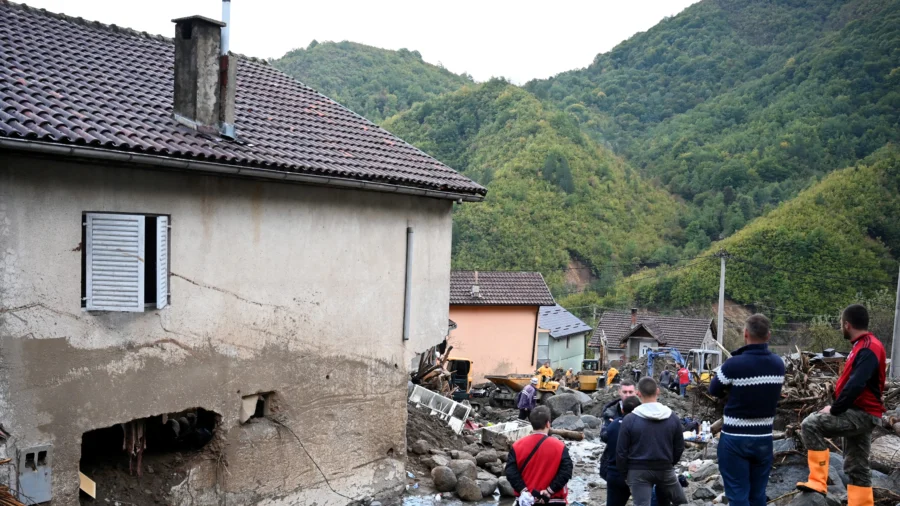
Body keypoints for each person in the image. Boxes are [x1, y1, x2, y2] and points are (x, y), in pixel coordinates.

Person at [797, 305, 886, 506]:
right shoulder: (864, 345)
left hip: (861, 413)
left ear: (847, 324)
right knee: (857, 467)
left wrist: (836, 408)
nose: (841, 328)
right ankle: (861, 504)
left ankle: (818, 481)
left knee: (810, 424)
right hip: (863, 412)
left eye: (841, 325)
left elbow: (856, 384)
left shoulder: (868, 348)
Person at [709, 314, 785, 506]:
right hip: (764, 438)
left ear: (745, 334)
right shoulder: (778, 364)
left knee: (737, 495)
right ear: (768, 335)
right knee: (758, 495)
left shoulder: (734, 364)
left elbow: (714, 389)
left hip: (735, 438)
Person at [616, 377, 687, 506]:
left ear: (638, 394)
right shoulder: (672, 417)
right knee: (681, 501)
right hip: (665, 468)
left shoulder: (630, 419)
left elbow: (621, 451)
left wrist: (626, 474)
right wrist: (669, 463)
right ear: (658, 391)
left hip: (638, 470)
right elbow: (679, 447)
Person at [505, 406, 573, 506]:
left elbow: (510, 471)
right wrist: (549, 491)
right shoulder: (560, 447)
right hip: (553, 501)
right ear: (548, 424)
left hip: (526, 501)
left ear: (531, 423)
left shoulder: (517, 446)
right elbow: (566, 472)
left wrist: (523, 490)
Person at [604, 396, 642, 506]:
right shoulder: (642, 426)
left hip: (614, 474)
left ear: (622, 410)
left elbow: (606, 439)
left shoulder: (613, 425)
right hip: (636, 474)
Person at [599, 380, 637, 478]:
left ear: (636, 392)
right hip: (614, 461)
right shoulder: (610, 411)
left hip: (637, 463)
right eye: (625, 392)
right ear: (619, 392)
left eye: (630, 392)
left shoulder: (644, 410)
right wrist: (615, 427)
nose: (628, 395)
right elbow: (604, 436)